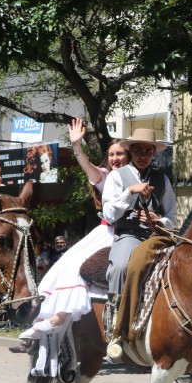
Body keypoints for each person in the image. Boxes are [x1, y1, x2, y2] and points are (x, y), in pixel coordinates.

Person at [18, 118, 130, 342]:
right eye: (111, 154)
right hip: (107, 232)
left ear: (129, 156)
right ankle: (53, 317)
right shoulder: (105, 176)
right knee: (69, 264)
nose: (115, 158)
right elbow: (87, 167)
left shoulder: (139, 176)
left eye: (120, 154)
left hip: (130, 234)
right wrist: (76, 145)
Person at [102, 129, 176, 358]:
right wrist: (129, 192)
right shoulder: (117, 176)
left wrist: (158, 219)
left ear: (154, 153)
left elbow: (172, 217)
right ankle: (115, 329)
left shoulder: (163, 179)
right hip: (130, 234)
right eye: (138, 150)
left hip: (158, 236)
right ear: (131, 151)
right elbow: (109, 213)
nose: (143, 155)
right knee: (121, 266)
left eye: (148, 151)